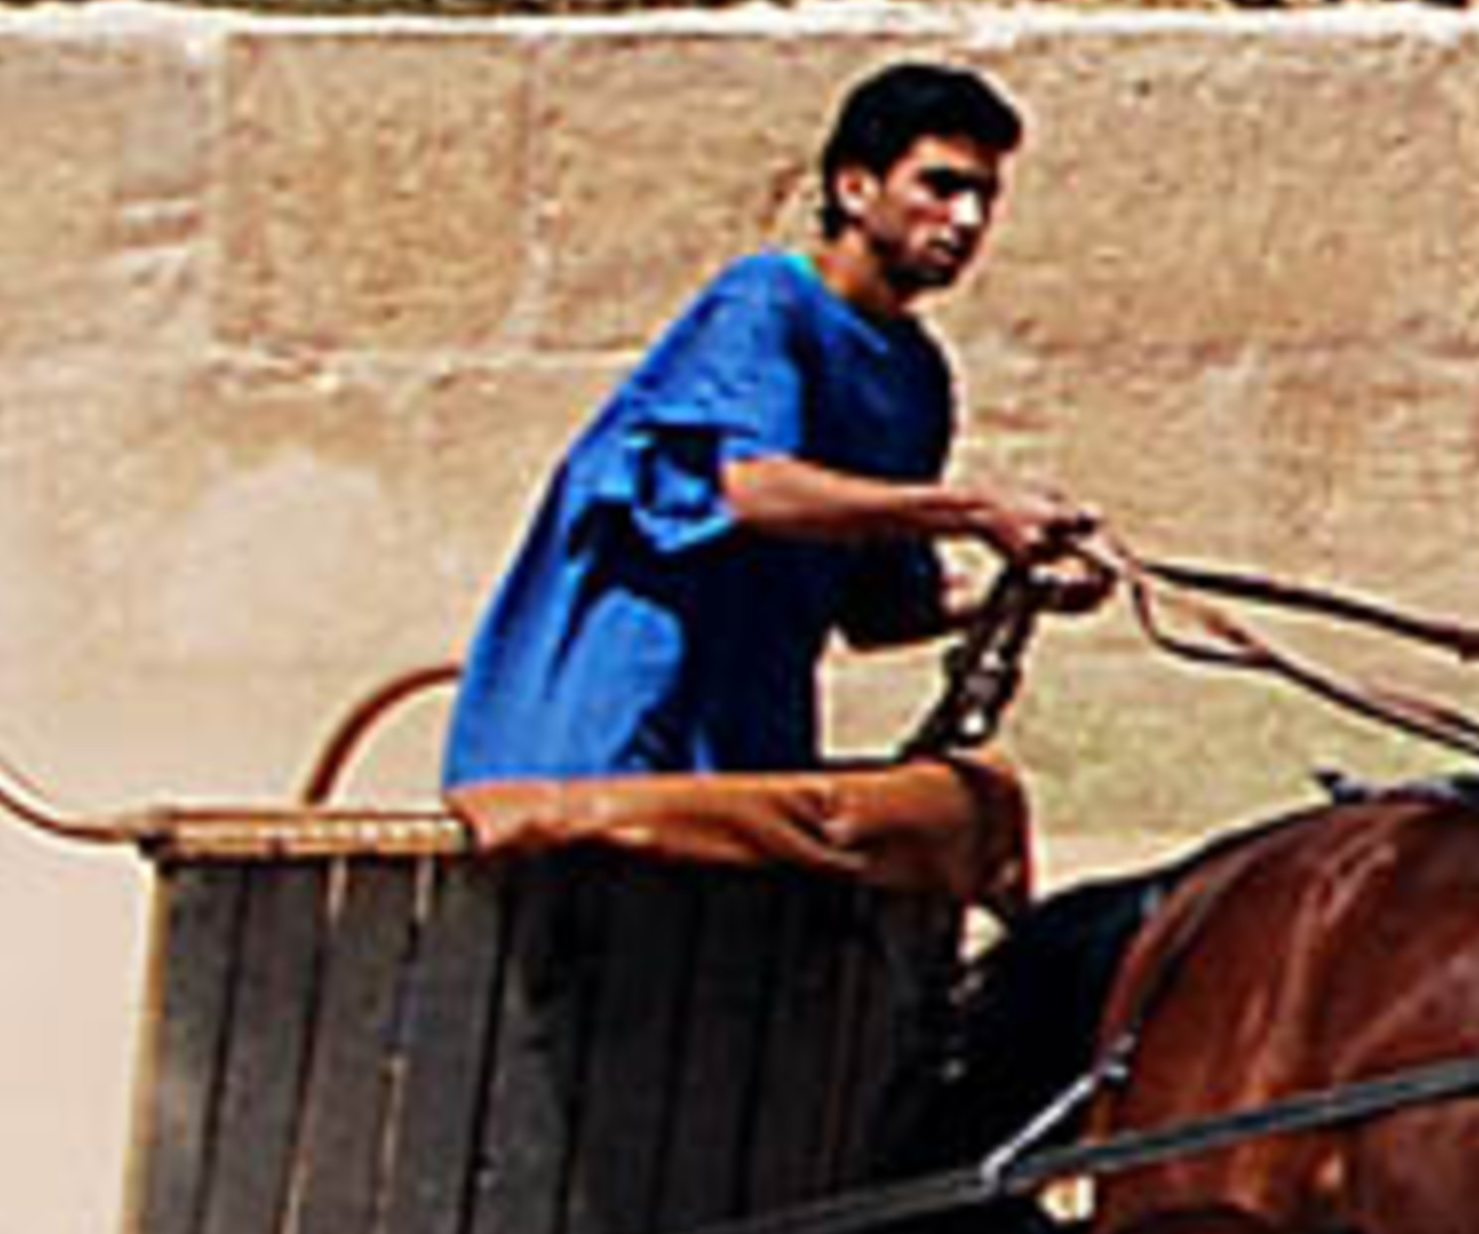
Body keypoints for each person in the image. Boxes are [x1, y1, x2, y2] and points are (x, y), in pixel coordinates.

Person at [440, 61, 1103, 787]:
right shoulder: (763, 304)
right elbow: (755, 490)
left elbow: (879, 612)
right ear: (855, 188)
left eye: (983, 196)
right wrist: (976, 509)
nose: (967, 221)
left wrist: (1020, 589)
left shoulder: (918, 379)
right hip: (612, 740)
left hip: (750, 754)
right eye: (940, 187)